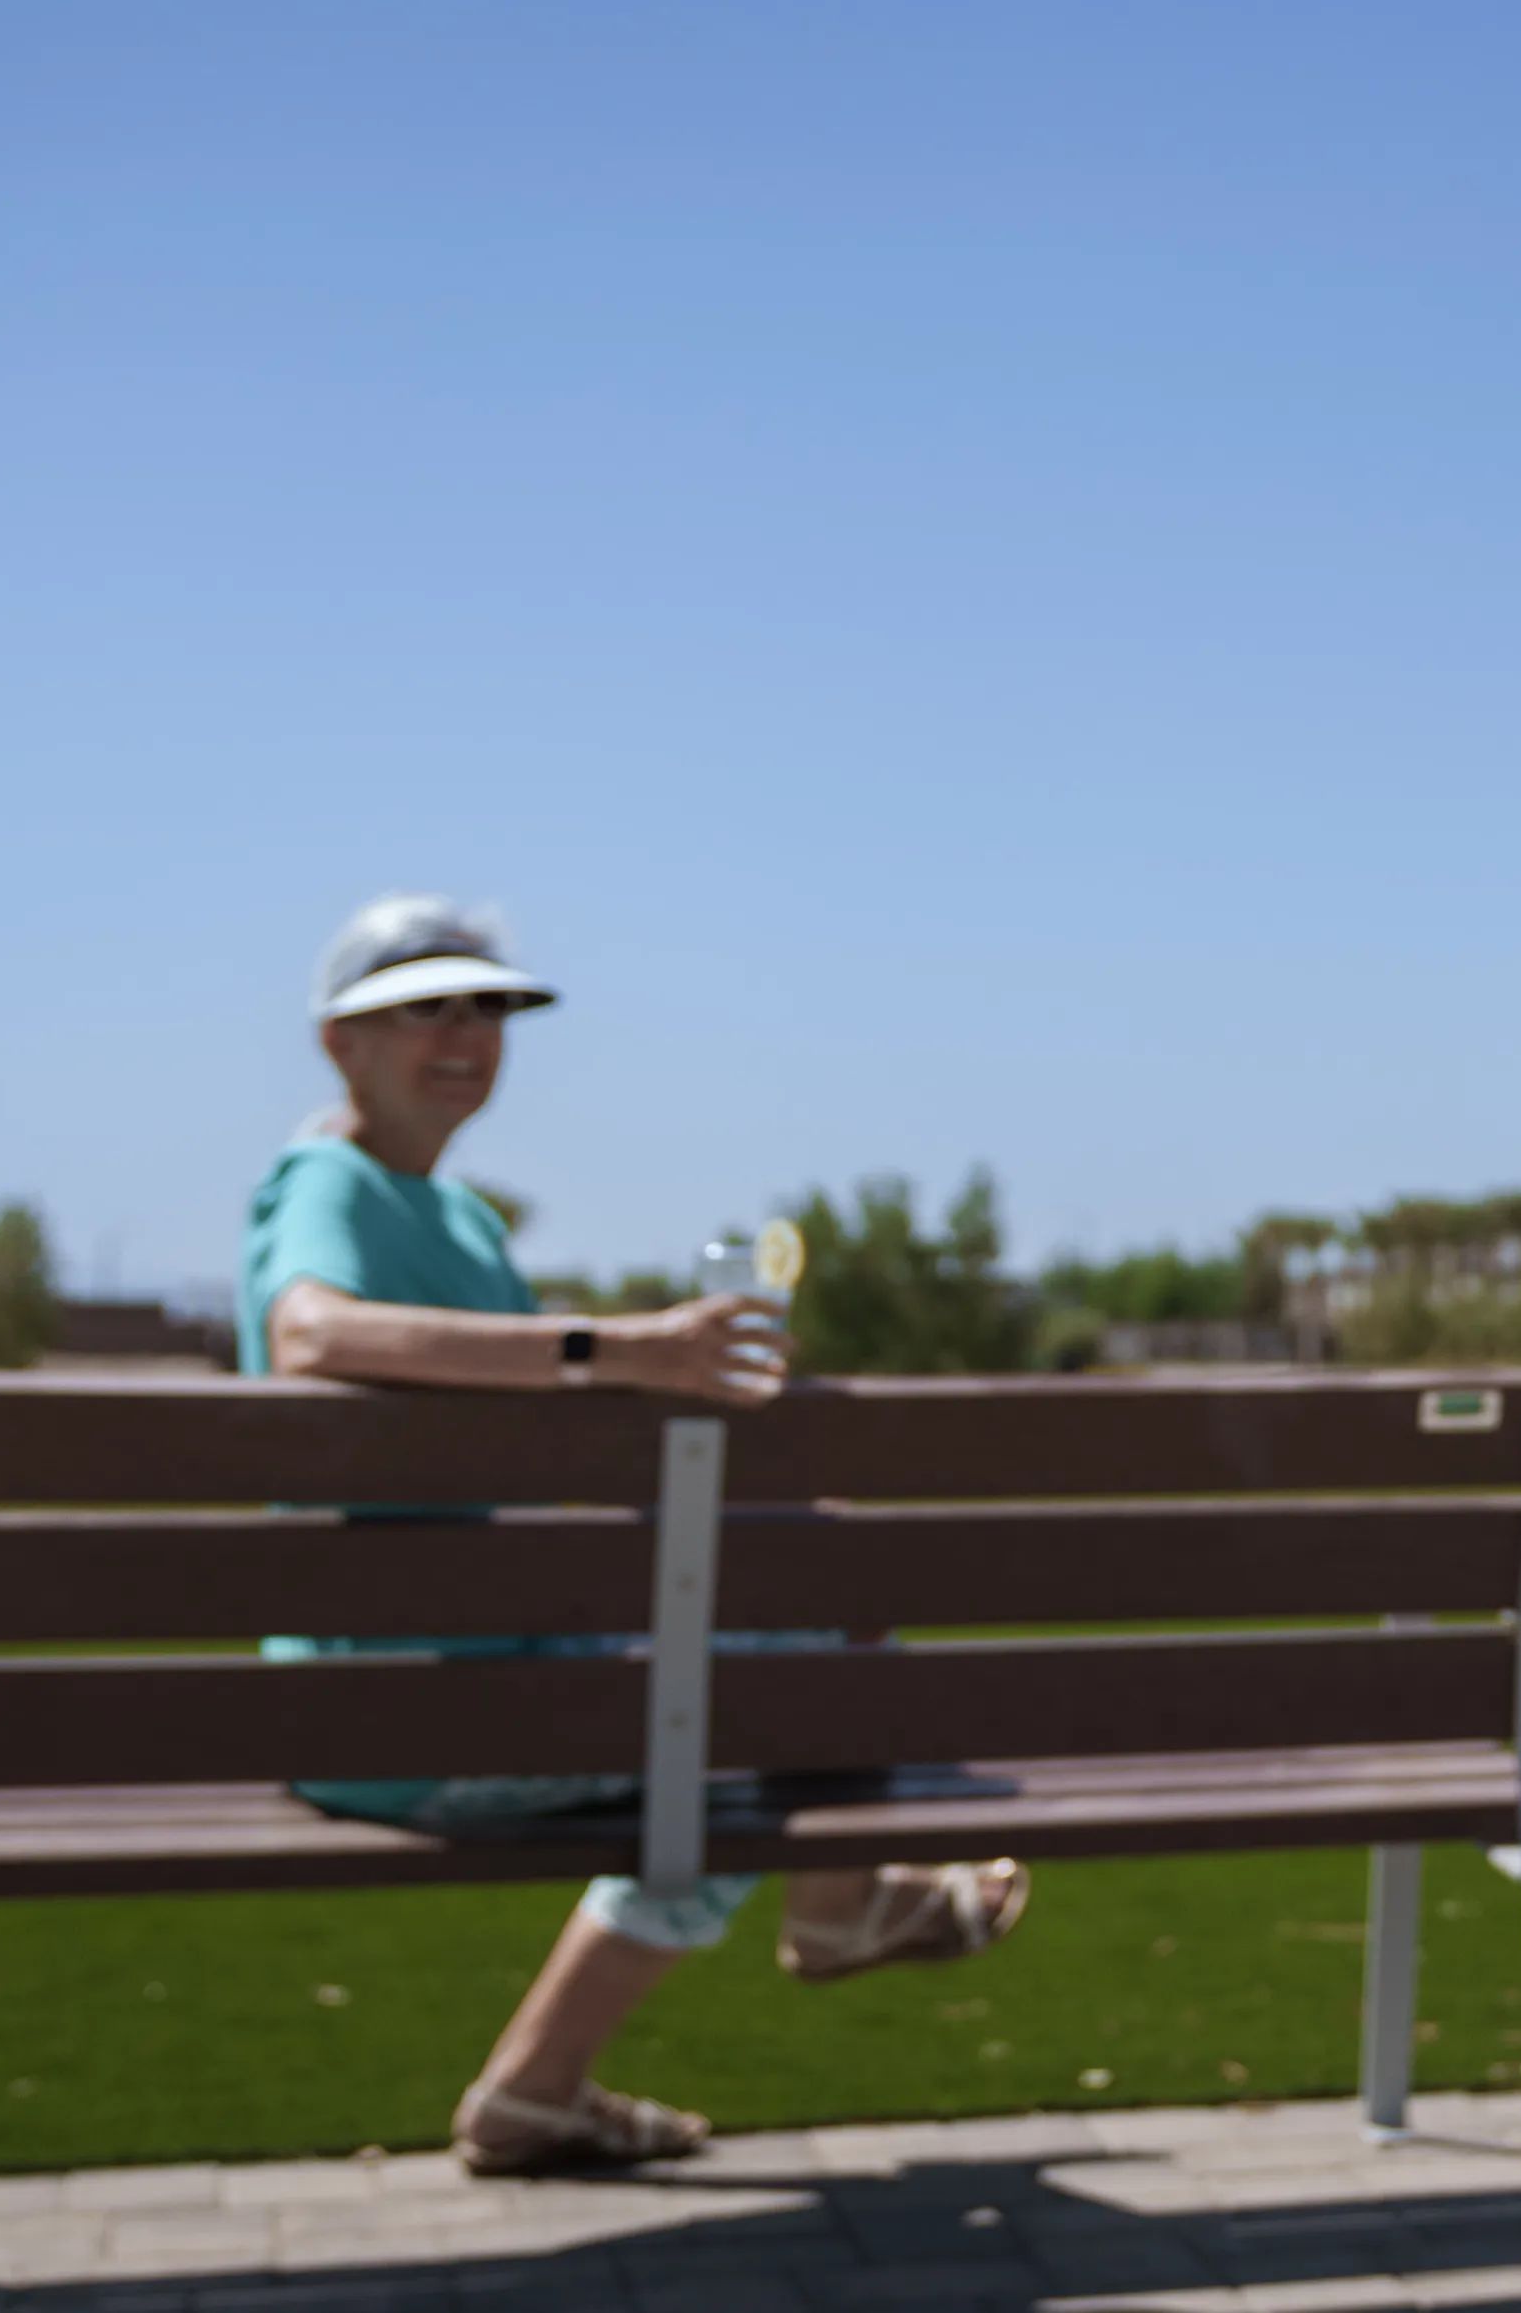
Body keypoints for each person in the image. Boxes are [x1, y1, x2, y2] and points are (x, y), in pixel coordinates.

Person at [241, 893, 1027, 2175]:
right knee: (745, 1727)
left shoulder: (465, 1223)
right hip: (399, 1720)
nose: (465, 1035)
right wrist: (618, 1348)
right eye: (423, 1010)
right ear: (340, 1044)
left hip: (440, 1681)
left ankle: (552, 2085)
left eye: (485, 1007)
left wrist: (667, 1371)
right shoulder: (328, 1178)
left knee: (790, 1622)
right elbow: (310, 1334)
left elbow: (520, 1432)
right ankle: (825, 1914)